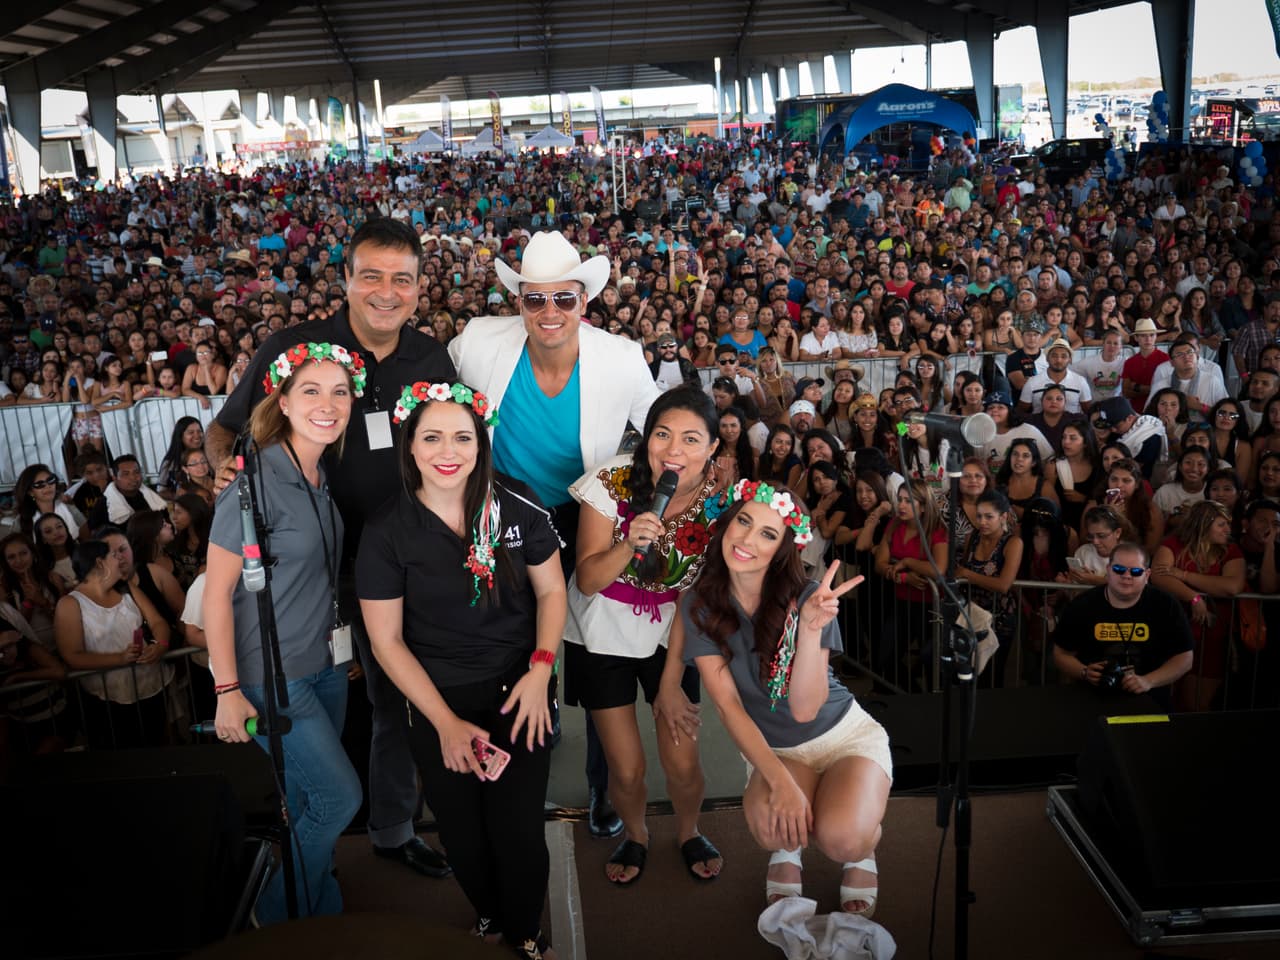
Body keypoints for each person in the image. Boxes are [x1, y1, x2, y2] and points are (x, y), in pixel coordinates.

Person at [206, 218, 455, 878]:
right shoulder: (295, 347)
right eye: (370, 275)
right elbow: (223, 431)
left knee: (397, 705)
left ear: (419, 287)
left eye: (401, 278)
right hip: (304, 578)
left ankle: (392, 826)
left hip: (398, 571)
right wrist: (223, 469)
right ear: (345, 280)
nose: (385, 291)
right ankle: (312, 843)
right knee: (307, 713)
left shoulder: (432, 359)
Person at [450, 229, 660, 841]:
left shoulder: (620, 357)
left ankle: (601, 789)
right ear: (517, 302)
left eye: (562, 300)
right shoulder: (478, 344)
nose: (549, 312)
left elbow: (661, 427)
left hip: (585, 516)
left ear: (583, 301)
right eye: (534, 299)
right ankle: (516, 772)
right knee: (512, 642)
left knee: (594, 653)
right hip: (505, 518)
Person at [357, 380, 566, 960]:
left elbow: (551, 594)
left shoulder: (519, 504)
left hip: (519, 690)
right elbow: (387, 641)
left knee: (518, 830)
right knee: (462, 834)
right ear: (410, 446)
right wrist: (445, 723)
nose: (448, 451)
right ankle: (490, 915)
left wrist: (541, 670)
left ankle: (525, 931)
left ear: (480, 444)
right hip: (436, 700)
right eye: (431, 437)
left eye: (461, 436)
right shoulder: (386, 531)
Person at [204, 341, 365, 924]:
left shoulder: (318, 474)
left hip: (324, 668)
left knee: (305, 801)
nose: (329, 403)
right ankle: (273, 917)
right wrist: (226, 691)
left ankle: (314, 911)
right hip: (273, 679)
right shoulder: (251, 480)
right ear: (285, 401)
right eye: (312, 391)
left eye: (340, 392)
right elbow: (216, 596)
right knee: (338, 798)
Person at [681, 485, 890, 915]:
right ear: (728, 522)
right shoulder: (699, 604)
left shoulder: (811, 596)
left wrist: (810, 630)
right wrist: (779, 781)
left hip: (843, 736)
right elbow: (727, 706)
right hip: (775, 748)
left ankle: (864, 848)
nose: (747, 541)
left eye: (767, 534)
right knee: (772, 830)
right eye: (744, 522)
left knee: (843, 837)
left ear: (782, 549)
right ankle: (788, 853)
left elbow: (805, 709)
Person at [565, 386, 723, 885]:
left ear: (713, 448)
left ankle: (689, 830)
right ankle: (635, 835)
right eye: (662, 434)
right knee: (627, 769)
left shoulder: (720, 505)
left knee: (683, 763)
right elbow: (588, 579)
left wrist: (672, 681)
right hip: (600, 632)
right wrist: (630, 542)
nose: (674, 450)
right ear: (646, 437)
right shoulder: (610, 481)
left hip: (671, 634)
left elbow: (698, 598)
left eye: (691, 439)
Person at [53, 539, 173, 748]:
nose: (123, 559)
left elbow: (157, 621)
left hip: (150, 685)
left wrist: (160, 644)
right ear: (100, 563)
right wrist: (119, 659)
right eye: (115, 556)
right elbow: (72, 655)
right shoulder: (70, 604)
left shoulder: (127, 589)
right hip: (108, 699)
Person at [1051, 541, 1194, 709]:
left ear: (1147, 575)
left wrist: (1148, 681)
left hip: (1151, 700)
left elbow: (1185, 658)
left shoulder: (1166, 604)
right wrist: (1084, 672)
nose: (1127, 576)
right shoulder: (1083, 605)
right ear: (1108, 570)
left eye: (1135, 572)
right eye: (1119, 570)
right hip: (1093, 701)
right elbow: (1060, 654)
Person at [1149, 500, 1247, 712]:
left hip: (1212, 636)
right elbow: (1158, 575)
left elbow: (1231, 586)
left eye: (1228, 524)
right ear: (1203, 523)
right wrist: (1193, 597)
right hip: (1173, 633)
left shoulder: (1231, 550)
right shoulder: (1173, 544)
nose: (1228, 530)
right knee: (1167, 699)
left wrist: (1184, 575)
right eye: (1221, 524)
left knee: (1197, 704)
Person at [90, 455, 167, 527]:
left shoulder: (152, 497)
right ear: (114, 478)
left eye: (136, 472)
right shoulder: (104, 504)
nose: (133, 477)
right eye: (126, 474)